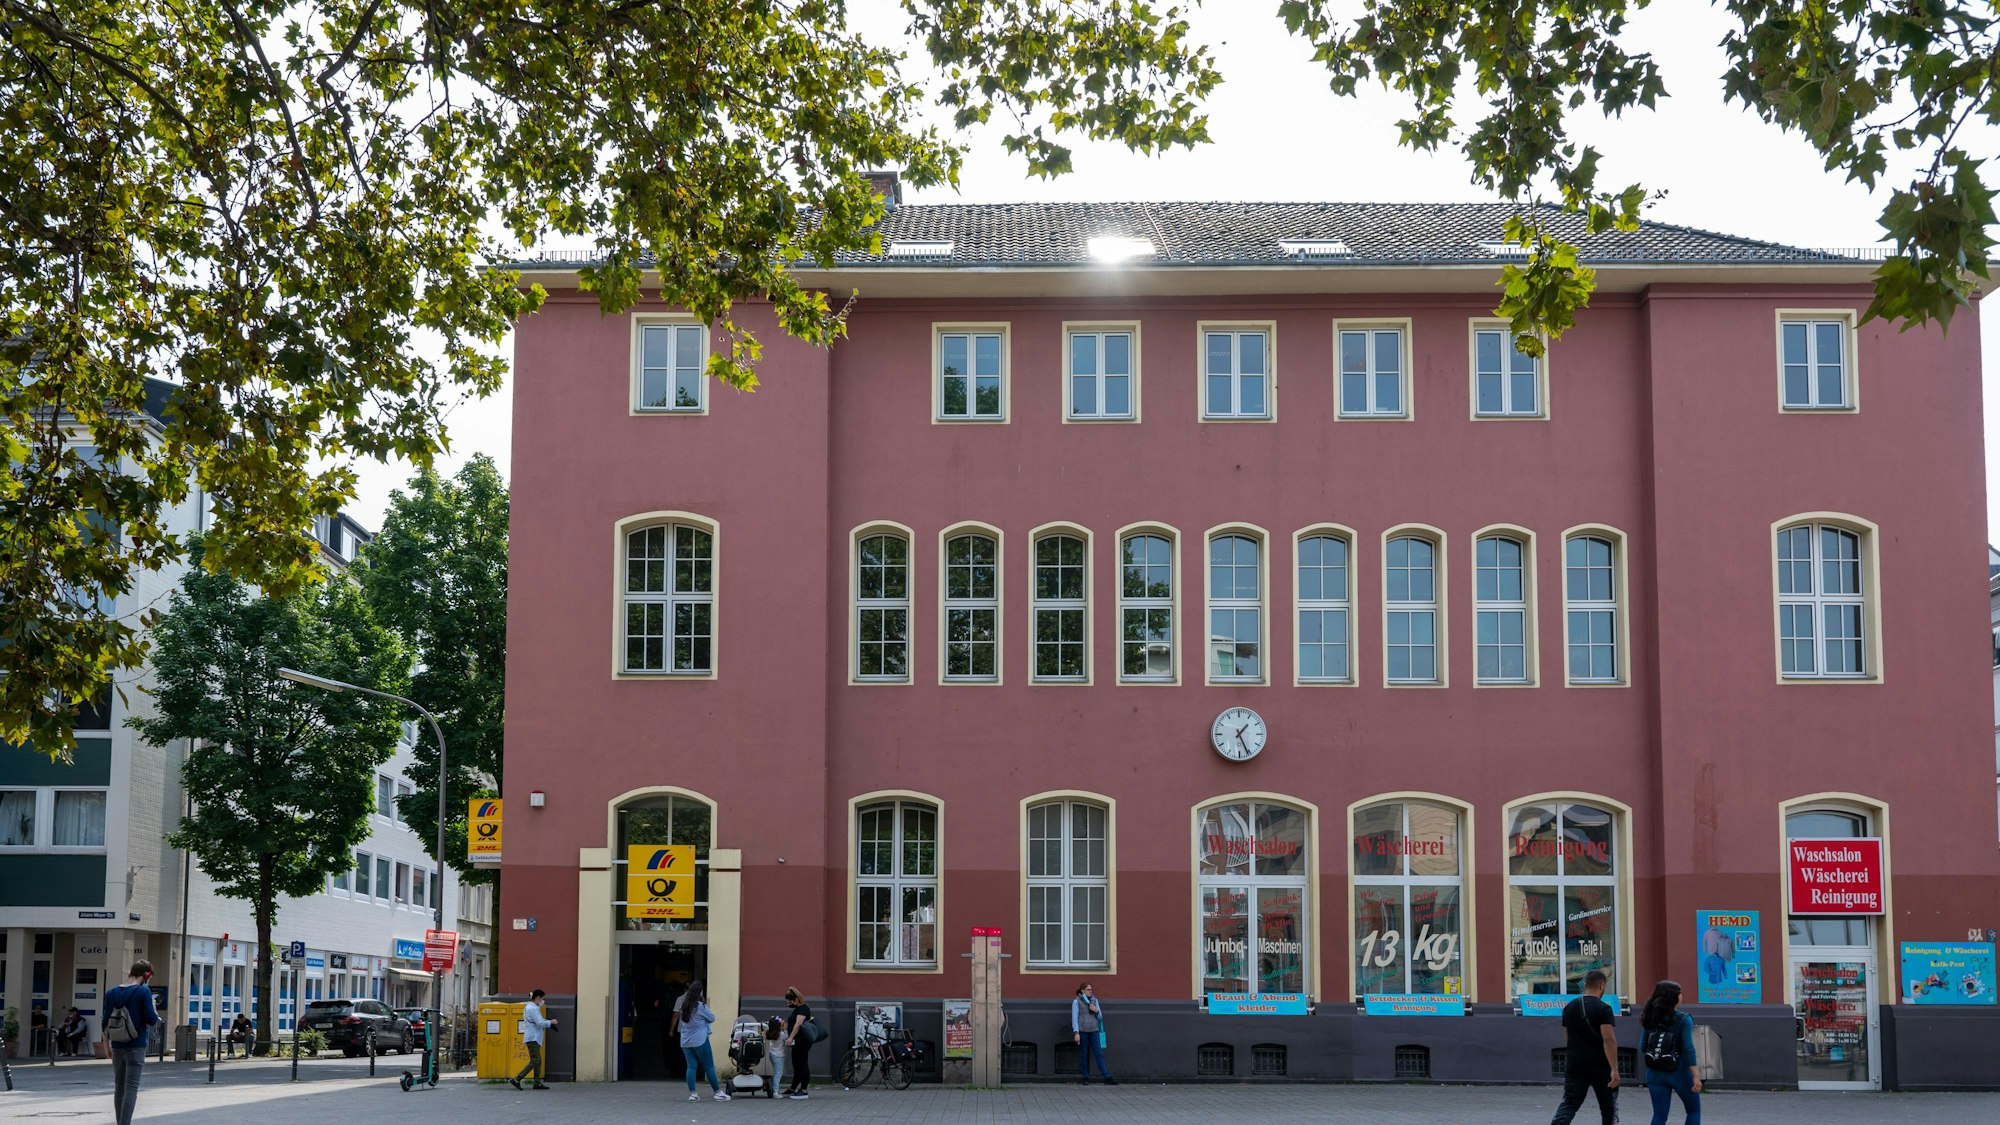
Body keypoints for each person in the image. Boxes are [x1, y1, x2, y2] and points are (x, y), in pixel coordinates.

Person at [1549, 969, 1619, 1125]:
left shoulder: (1569, 1007)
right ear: (1602, 985)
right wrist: (1614, 1068)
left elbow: (1568, 1038)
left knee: (1569, 1103)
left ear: (1586, 985)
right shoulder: (1604, 1009)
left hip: (1575, 1063)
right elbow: (1608, 1039)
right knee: (1608, 1107)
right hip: (1600, 1065)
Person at [1640, 980, 1702, 1125]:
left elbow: (1643, 1046)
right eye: (1680, 994)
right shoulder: (1684, 1019)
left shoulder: (1649, 1017)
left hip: (1654, 1072)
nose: (1682, 997)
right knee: (1693, 1111)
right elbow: (1688, 1048)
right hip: (1679, 1071)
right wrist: (1696, 1074)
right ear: (1673, 997)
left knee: (1659, 1115)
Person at [105, 960, 159, 1125]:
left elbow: (105, 1021)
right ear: (146, 975)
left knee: (119, 1087)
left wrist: (107, 1044)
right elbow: (151, 1019)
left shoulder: (111, 992)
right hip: (136, 1044)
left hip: (117, 1045)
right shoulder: (143, 992)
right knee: (131, 1088)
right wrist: (154, 1008)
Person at [669, 980, 729, 1101]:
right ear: (699, 992)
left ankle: (693, 1094)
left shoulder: (683, 1006)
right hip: (700, 1040)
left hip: (686, 1042)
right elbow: (712, 1018)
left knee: (691, 1067)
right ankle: (718, 1092)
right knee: (709, 1067)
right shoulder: (700, 1007)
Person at [509, 988, 557, 1090]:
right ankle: (517, 1079)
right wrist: (550, 1022)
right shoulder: (533, 1009)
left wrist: (548, 1023)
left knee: (538, 1060)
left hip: (533, 1037)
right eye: (542, 999)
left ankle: (537, 1082)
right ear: (538, 998)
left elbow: (538, 1021)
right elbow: (539, 1022)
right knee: (535, 1060)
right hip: (533, 1037)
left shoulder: (530, 1007)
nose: (542, 1001)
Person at [1071, 982, 1116, 1084]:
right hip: (1083, 1031)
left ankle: (1106, 1076)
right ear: (1082, 990)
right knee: (1083, 1054)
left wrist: (1096, 1011)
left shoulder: (1095, 1000)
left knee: (1098, 1053)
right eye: (1088, 989)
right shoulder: (1076, 1001)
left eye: (1091, 989)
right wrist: (1076, 1032)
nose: (1090, 991)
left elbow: (1100, 1018)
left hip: (1094, 1030)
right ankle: (1085, 1077)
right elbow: (1074, 1018)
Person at [781, 987, 813, 1099]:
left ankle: (803, 1090)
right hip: (797, 1041)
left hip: (802, 1041)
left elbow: (798, 1024)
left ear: (796, 999)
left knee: (802, 1064)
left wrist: (790, 1037)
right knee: (796, 1064)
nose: (788, 1004)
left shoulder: (803, 1009)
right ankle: (793, 1088)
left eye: (790, 1001)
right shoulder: (797, 1008)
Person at [764, 1016, 787, 1099]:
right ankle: (775, 1091)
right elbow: (787, 1039)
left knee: (776, 1073)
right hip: (779, 1056)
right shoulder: (781, 1034)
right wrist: (785, 1028)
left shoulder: (770, 1033)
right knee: (778, 1074)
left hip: (772, 1054)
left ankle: (773, 1088)